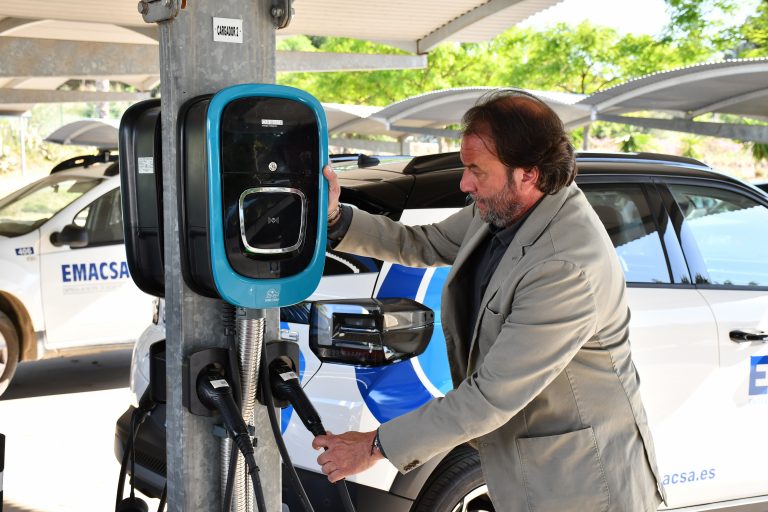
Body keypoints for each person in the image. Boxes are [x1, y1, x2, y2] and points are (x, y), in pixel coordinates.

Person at [313, 90, 665, 511]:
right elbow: (423, 242)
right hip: (528, 475)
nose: (465, 183)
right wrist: (336, 217)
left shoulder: (565, 266)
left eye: (476, 170)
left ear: (528, 174)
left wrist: (374, 446)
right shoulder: (504, 207)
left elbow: (490, 397)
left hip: (585, 487)